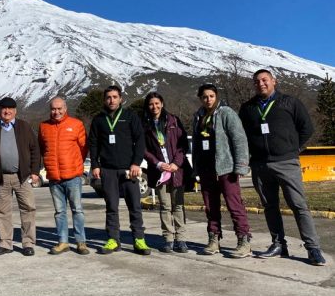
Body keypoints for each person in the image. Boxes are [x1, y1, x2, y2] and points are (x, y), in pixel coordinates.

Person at [239, 69, 326, 266]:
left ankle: (313, 248)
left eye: (264, 80)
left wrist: (294, 150)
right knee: (270, 207)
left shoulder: (290, 102)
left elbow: (307, 128)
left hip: (286, 163)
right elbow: (242, 136)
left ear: (274, 81)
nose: (260, 83)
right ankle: (278, 245)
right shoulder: (247, 108)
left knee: (298, 205)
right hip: (260, 165)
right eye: (257, 81)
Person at [88, 85, 151, 255]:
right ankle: (113, 240)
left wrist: (136, 163)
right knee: (111, 207)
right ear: (104, 100)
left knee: (135, 206)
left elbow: (140, 141)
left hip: (129, 170)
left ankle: (139, 239)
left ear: (121, 98)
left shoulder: (130, 116)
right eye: (108, 97)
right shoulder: (98, 119)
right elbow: (93, 144)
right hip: (108, 170)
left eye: (115, 97)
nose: (112, 100)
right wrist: (95, 164)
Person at [192, 84, 251, 258]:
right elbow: (196, 144)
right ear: (200, 98)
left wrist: (241, 165)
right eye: (204, 97)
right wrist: (196, 167)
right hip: (206, 169)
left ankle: (244, 240)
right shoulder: (198, 116)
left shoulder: (226, 113)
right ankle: (214, 238)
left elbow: (239, 140)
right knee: (211, 208)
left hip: (226, 169)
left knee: (235, 205)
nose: (208, 99)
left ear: (216, 96)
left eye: (211, 96)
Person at [0, 97, 40, 256]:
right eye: (3, 109)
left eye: (10, 109)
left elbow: (35, 150)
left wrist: (35, 171)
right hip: (1, 179)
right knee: (1, 211)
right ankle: (5, 243)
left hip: (22, 177)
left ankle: (28, 243)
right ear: (0, 110)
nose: (7, 111)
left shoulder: (24, 127)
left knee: (28, 209)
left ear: (15, 111)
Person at [38, 96, 89, 255]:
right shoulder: (43, 126)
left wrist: (75, 165)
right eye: (53, 109)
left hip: (73, 177)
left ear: (65, 109)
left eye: (59, 108)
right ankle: (63, 242)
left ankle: (81, 242)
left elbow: (83, 148)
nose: (56, 112)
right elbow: (42, 148)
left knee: (77, 210)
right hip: (54, 178)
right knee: (59, 212)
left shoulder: (76, 124)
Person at [142, 92, 191, 253]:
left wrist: (176, 164)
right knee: (165, 205)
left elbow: (182, 144)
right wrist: (158, 164)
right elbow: (143, 149)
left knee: (178, 205)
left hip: (176, 171)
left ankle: (181, 239)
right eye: (151, 104)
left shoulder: (173, 120)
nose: (154, 107)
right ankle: (168, 238)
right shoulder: (145, 123)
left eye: (157, 103)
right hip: (160, 171)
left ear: (162, 104)